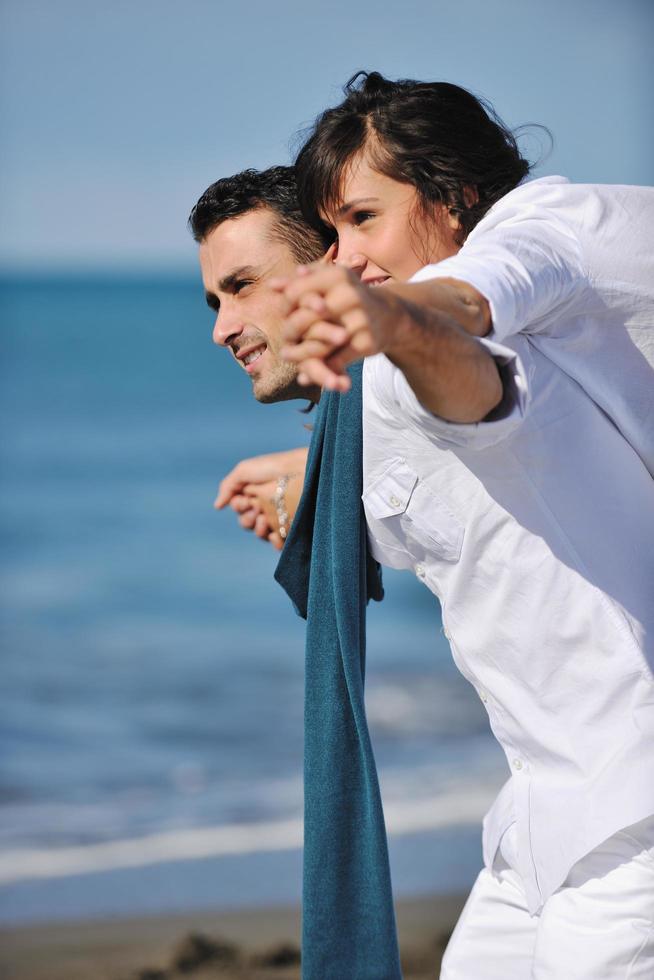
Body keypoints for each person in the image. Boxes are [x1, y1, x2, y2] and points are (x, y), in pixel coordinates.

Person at [189, 74, 654, 976]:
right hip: (544, 822)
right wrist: (310, 481)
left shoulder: (453, 336)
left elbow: (470, 362)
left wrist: (391, 322)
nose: (225, 327)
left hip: (631, 820)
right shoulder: (367, 426)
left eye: (246, 287)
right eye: (215, 301)